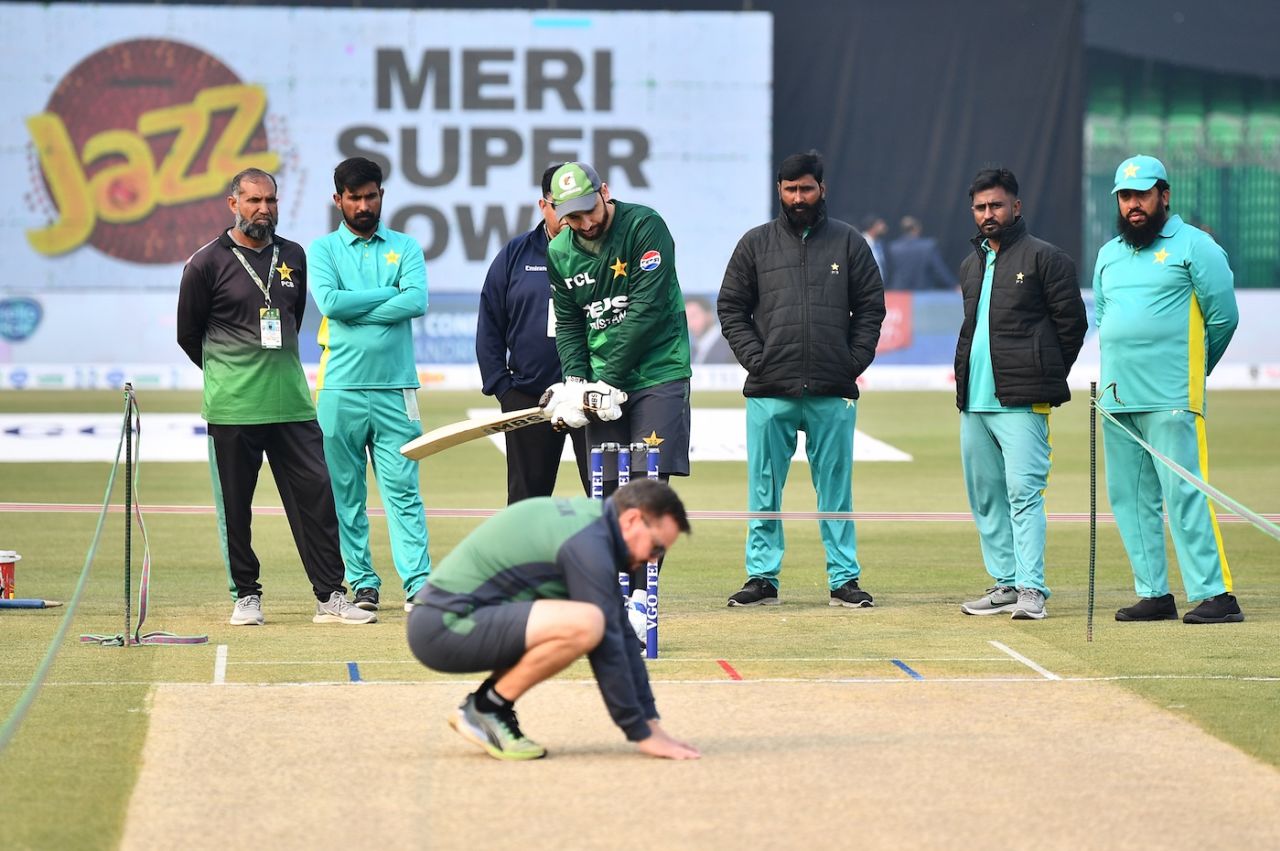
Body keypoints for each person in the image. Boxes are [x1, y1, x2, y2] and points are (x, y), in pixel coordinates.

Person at [176, 168, 375, 626]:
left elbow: (293, 316)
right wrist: (229, 375)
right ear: (233, 205)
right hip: (233, 408)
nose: (263, 209)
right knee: (236, 508)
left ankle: (329, 597)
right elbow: (190, 335)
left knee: (318, 501)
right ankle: (246, 595)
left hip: (292, 404)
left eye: (270, 201)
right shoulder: (205, 263)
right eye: (253, 201)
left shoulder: (294, 255)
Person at [406, 478, 700, 761]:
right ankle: (487, 708)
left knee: (593, 620)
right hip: (444, 627)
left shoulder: (592, 526)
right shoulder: (589, 543)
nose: (653, 560)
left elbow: (622, 633)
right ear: (633, 520)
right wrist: (641, 732)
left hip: (452, 620)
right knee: (586, 623)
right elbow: (609, 644)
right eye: (657, 547)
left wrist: (650, 723)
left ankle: (487, 706)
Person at [717, 150, 886, 608]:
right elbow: (730, 307)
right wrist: (757, 359)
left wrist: (851, 362)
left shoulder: (850, 243)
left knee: (836, 488)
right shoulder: (755, 243)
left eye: (806, 188)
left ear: (821, 189)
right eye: (790, 189)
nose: (798, 197)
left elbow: (872, 308)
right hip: (770, 389)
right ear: (779, 191)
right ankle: (762, 578)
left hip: (832, 389)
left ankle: (844, 579)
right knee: (763, 488)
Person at [1094, 155, 1242, 624]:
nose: (1133, 205)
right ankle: (1154, 593)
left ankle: (1216, 594)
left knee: (1184, 493)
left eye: (1141, 194)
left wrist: (1191, 375)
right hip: (1118, 400)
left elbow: (1224, 317)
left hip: (1172, 397)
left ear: (1164, 194)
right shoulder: (1109, 254)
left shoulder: (1197, 246)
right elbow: (1104, 318)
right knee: (1129, 499)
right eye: (1125, 196)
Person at [545, 160, 693, 617]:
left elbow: (646, 310)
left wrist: (605, 380)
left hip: (656, 374)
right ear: (555, 212)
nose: (585, 222)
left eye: (590, 209)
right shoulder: (561, 252)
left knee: (648, 489)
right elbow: (569, 323)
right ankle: (613, 594)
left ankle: (640, 599)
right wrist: (575, 384)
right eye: (573, 217)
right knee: (606, 490)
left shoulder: (645, 226)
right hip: (600, 384)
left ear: (605, 192)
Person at [953, 168, 1087, 620]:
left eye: (996, 205)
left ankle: (1032, 589)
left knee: (1024, 495)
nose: (988, 214)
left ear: (1016, 206)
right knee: (986, 497)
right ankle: (1006, 583)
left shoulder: (1047, 258)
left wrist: (1043, 375)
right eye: (980, 207)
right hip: (975, 402)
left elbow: (1073, 327)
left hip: (1022, 402)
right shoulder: (971, 264)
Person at [308, 156, 431, 614]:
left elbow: (416, 300)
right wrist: (388, 294)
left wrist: (359, 307)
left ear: (382, 195)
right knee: (346, 493)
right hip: (339, 389)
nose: (364, 205)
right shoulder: (323, 250)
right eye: (354, 198)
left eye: (371, 196)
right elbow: (331, 304)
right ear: (338, 199)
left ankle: (418, 584)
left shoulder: (406, 246)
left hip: (397, 389)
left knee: (404, 492)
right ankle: (362, 582)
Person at [476, 164, 590, 504]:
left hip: (590, 395)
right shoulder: (515, 254)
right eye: (561, 206)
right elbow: (490, 323)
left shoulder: (602, 253)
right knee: (526, 502)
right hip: (528, 398)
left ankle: (612, 559)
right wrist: (503, 388)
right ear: (544, 206)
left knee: (606, 494)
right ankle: (523, 560)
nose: (573, 217)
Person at [886, 215, 956, 291]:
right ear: (917, 228)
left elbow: (888, 271)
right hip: (922, 294)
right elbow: (939, 270)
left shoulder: (893, 247)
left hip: (899, 294)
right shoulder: (928, 246)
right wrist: (954, 285)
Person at [684, 294, 735, 365]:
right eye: (686, 318)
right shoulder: (693, 350)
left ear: (710, 315)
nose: (690, 322)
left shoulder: (730, 345)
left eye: (694, 315)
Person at [859, 214, 890, 281]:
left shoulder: (880, 244)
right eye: (880, 224)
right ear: (872, 226)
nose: (884, 226)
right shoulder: (860, 242)